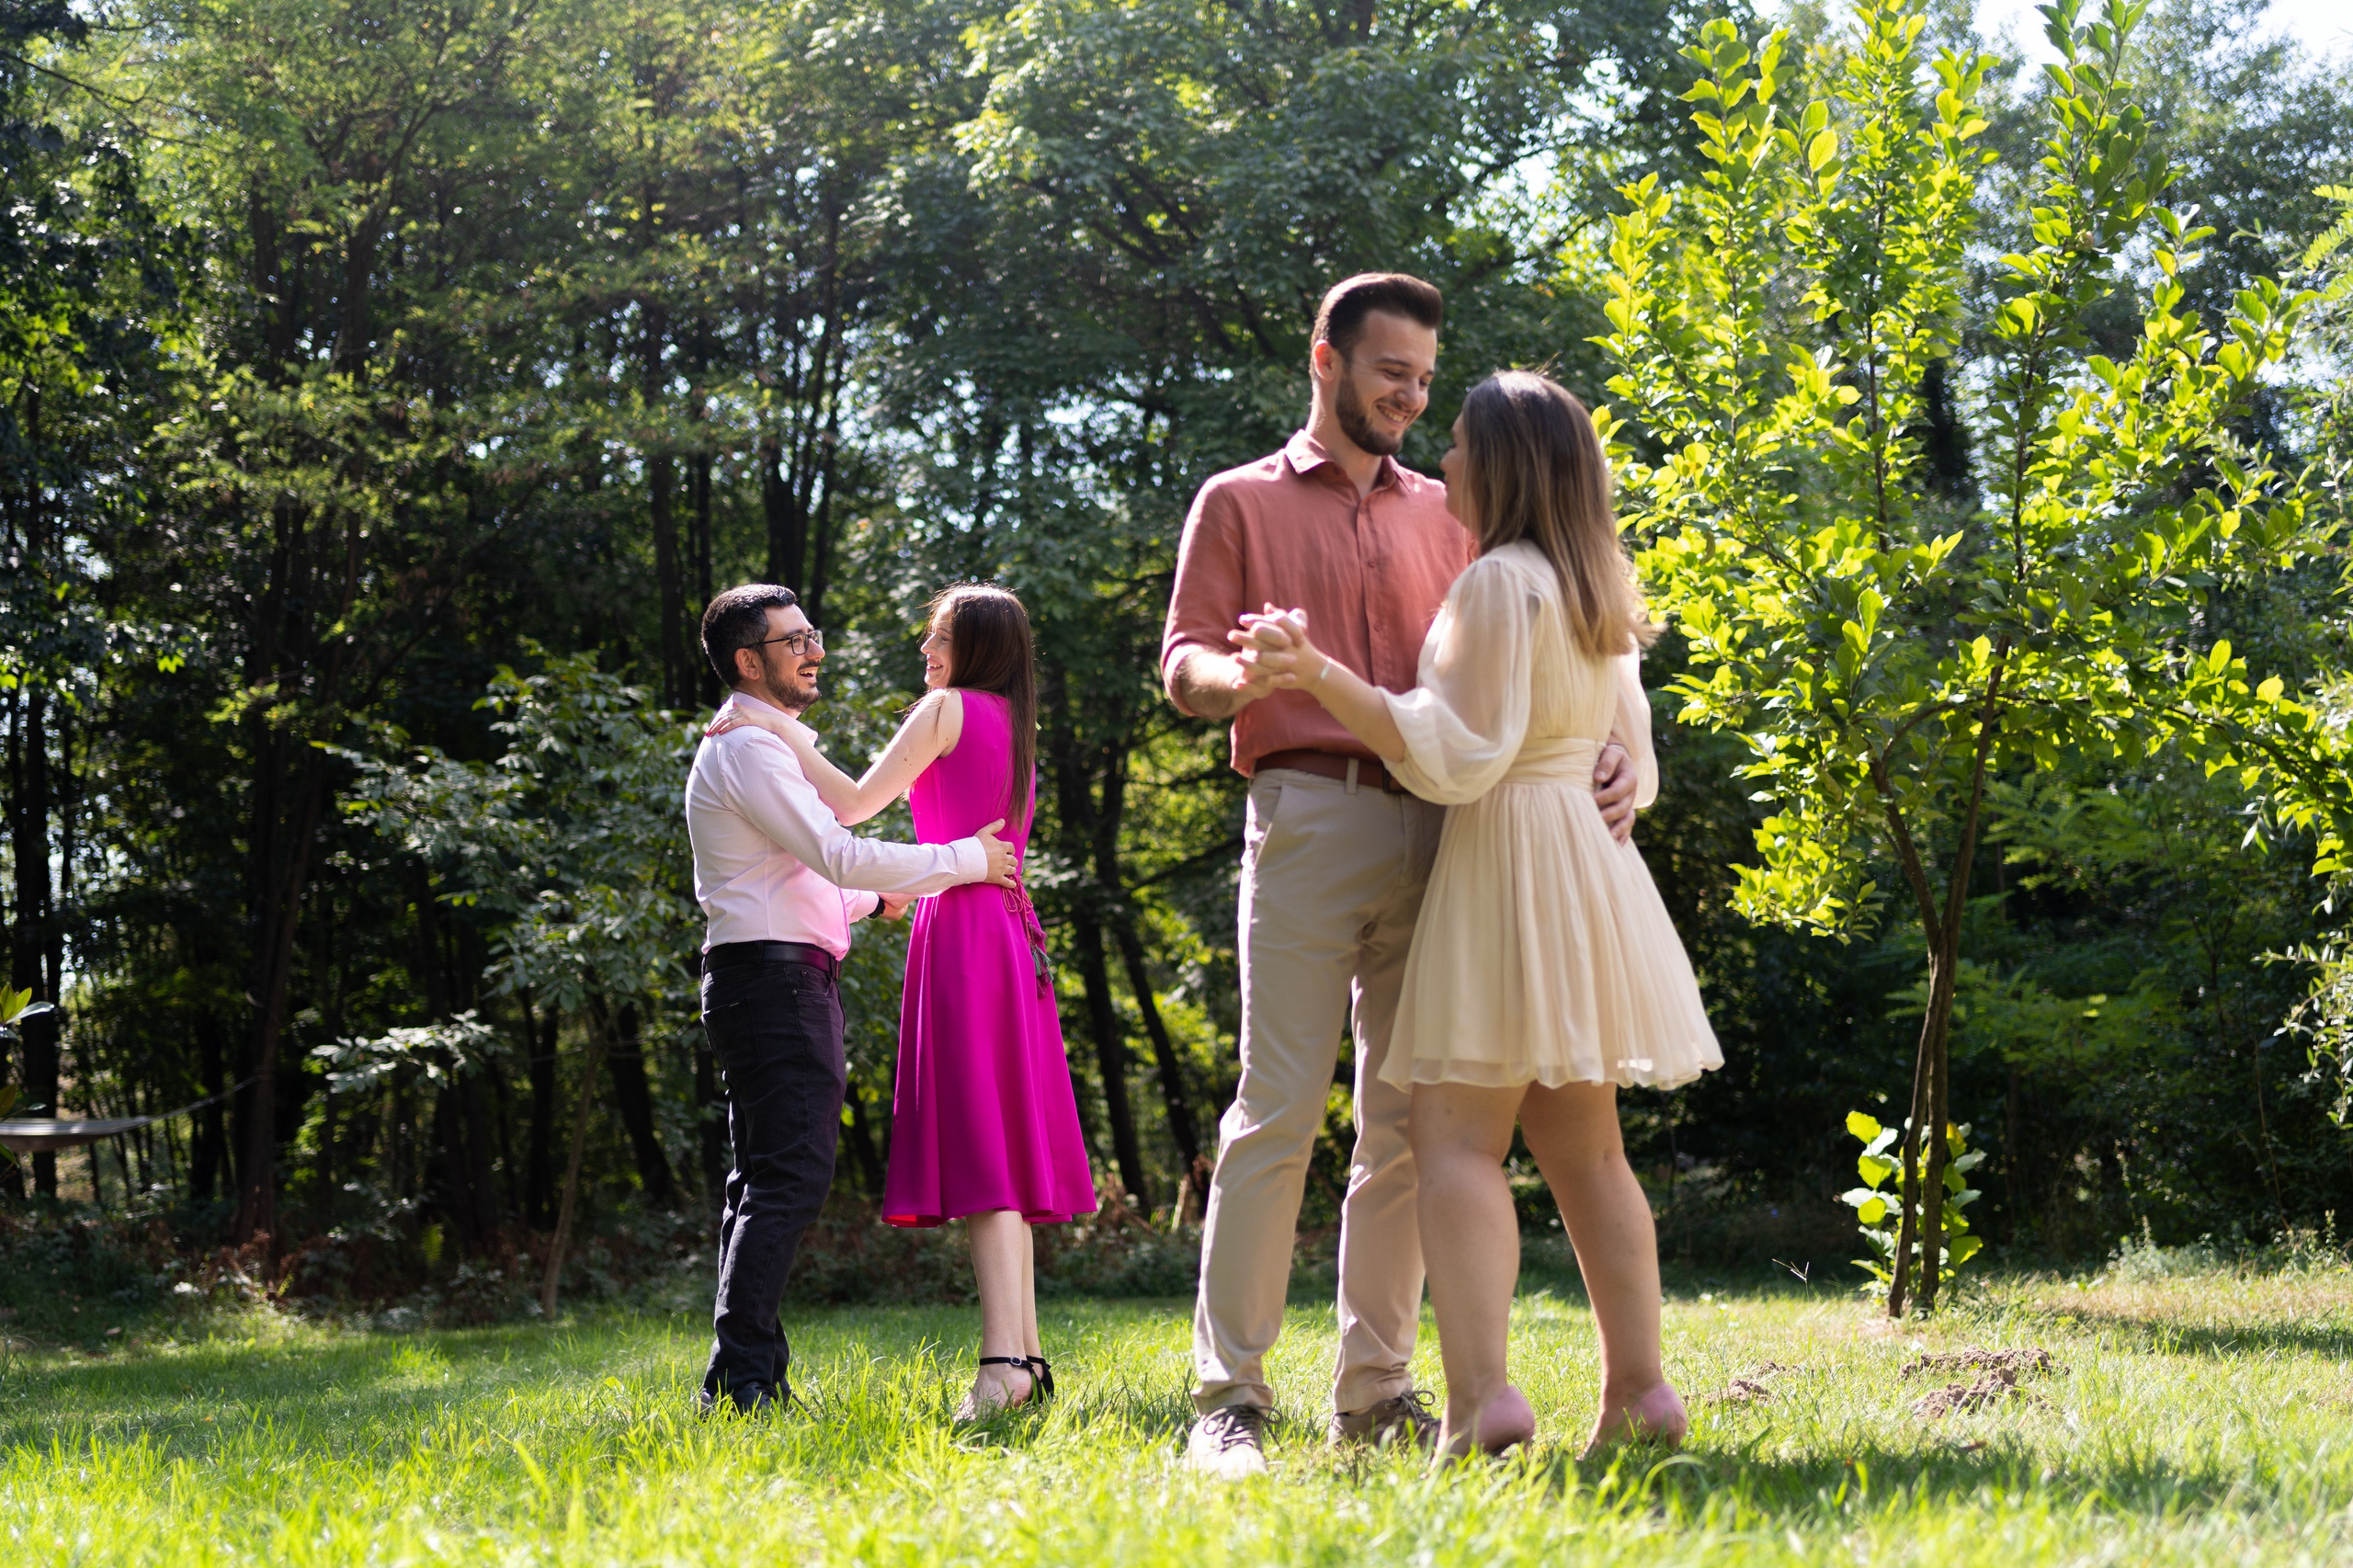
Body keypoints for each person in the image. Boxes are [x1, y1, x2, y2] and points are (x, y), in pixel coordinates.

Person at [1159, 273, 1641, 1477]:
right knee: (1275, 1110)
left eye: (1428, 381)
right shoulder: (1237, 500)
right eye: (1391, 374)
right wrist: (1251, 679)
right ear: (1326, 358)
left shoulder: (1456, 514)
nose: (1413, 399)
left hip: (1455, 836)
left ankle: (1375, 1390)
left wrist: (1627, 751)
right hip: (1314, 815)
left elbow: (1547, 653)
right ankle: (1231, 1398)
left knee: (1409, 1127)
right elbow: (1182, 665)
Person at [1233, 370, 1723, 1460]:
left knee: (1454, 1138)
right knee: (1590, 1155)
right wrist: (1615, 777)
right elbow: (1632, 750)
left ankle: (1481, 1401)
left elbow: (1453, 754)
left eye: (1458, 444)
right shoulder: (1595, 584)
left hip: (1508, 859)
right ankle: (1640, 1393)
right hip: (1587, 872)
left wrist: (1316, 672)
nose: (1444, 460)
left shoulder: (1496, 583)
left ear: (1500, 465)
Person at [708, 583, 1097, 1422]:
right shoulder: (1012, 720)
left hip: (960, 927)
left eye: (940, 636)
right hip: (1006, 928)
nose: (927, 652)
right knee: (1004, 1137)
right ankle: (1026, 1355)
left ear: (976, 647)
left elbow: (849, 811)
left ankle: (1001, 1367)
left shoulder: (945, 708)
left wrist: (771, 725)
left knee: (985, 1145)